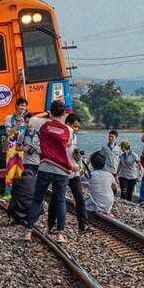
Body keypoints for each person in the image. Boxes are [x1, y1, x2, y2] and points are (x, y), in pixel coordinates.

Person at [24, 100, 74, 243]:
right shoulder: (68, 130)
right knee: (60, 201)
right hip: (62, 170)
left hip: (45, 167)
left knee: (37, 199)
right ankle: (60, 234)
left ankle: (28, 232)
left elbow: (32, 118)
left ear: (51, 112)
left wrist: (46, 113)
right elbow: (68, 144)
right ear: (64, 113)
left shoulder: (42, 124)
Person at [48, 114, 88, 233]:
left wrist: (77, 156)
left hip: (74, 173)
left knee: (79, 198)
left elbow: (71, 153)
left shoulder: (74, 137)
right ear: (68, 124)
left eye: (78, 127)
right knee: (56, 198)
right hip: (61, 172)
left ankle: (83, 225)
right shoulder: (59, 136)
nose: (76, 129)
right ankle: (51, 224)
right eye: (75, 126)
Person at [86, 151, 118, 216]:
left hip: (96, 204)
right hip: (109, 203)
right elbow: (115, 187)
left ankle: (97, 210)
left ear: (92, 164)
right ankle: (107, 211)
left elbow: (78, 176)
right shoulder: (109, 174)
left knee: (79, 204)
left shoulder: (91, 175)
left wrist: (86, 163)